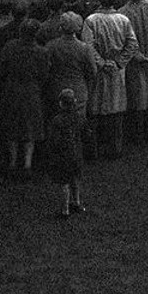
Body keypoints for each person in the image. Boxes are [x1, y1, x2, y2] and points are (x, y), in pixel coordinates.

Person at [39, 88, 87, 217]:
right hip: (76, 153)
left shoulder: (57, 120)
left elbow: (54, 139)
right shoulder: (79, 117)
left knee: (64, 183)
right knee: (75, 179)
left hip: (63, 155)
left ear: (61, 103)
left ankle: (65, 209)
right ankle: (76, 202)